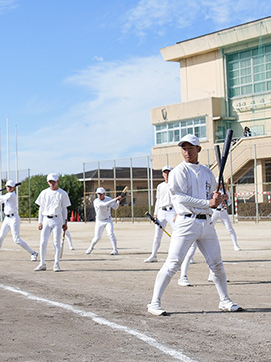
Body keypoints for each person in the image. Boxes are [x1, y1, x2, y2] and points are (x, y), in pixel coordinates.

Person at [147, 134, 242, 316]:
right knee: (173, 263)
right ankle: (154, 302)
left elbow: (215, 197)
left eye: (190, 147)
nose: (187, 151)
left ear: (198, 149)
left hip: (206, 223)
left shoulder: (207, 172)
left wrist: (221, 199)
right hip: (185, 222)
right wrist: (209, 203)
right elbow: (180, 197)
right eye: (184, 148)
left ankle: (224, 300)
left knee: (217, 264)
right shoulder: (178, 172)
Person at [0, 180, 38, 262]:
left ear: (14, 187)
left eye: (10, 187)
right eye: (7, 186)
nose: (8, 188)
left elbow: (1, 197)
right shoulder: (7, 195)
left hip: (14, 218)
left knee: (16, 239)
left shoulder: (11, 195)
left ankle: (33, 253)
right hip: (7, 218)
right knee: (0, 237)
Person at [34, 173, 71, 272]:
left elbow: (64, 209)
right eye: (50, 181)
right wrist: (40, 221)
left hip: (57, 219)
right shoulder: (44, 193)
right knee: (42, 242)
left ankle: (56, 264)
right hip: (46, 218)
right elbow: (41, 208)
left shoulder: (62, 193)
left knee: (56, 242)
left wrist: (65, 222)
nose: (52, 183)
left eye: (54, 181)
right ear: (48, 182)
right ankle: (42, 263)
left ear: (57, 181)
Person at [145, 166, 173, 263]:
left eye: (168, 172)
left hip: (172, 211)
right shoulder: (160, 186)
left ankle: (188, 256)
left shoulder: (175, 184)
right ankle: (154, 255)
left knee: (179, 233)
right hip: (161, 211)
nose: (166, 174)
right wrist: (155, 213)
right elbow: (158, 200)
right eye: (165, 172)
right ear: (162, 174)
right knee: (157, 235)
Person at [85, 187, 124, 255]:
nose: (99, 195)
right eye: (98, 194)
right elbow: (104, 205)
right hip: (99, 221)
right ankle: (91, 247)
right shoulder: (96, 201)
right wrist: (115, 199)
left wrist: (118, 201)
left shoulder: (109, 199)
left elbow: (115, 207)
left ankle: (115, 250)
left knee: (111, 234)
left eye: (101, 194)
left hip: (108, 220)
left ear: (104, 194)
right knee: (97, 237)